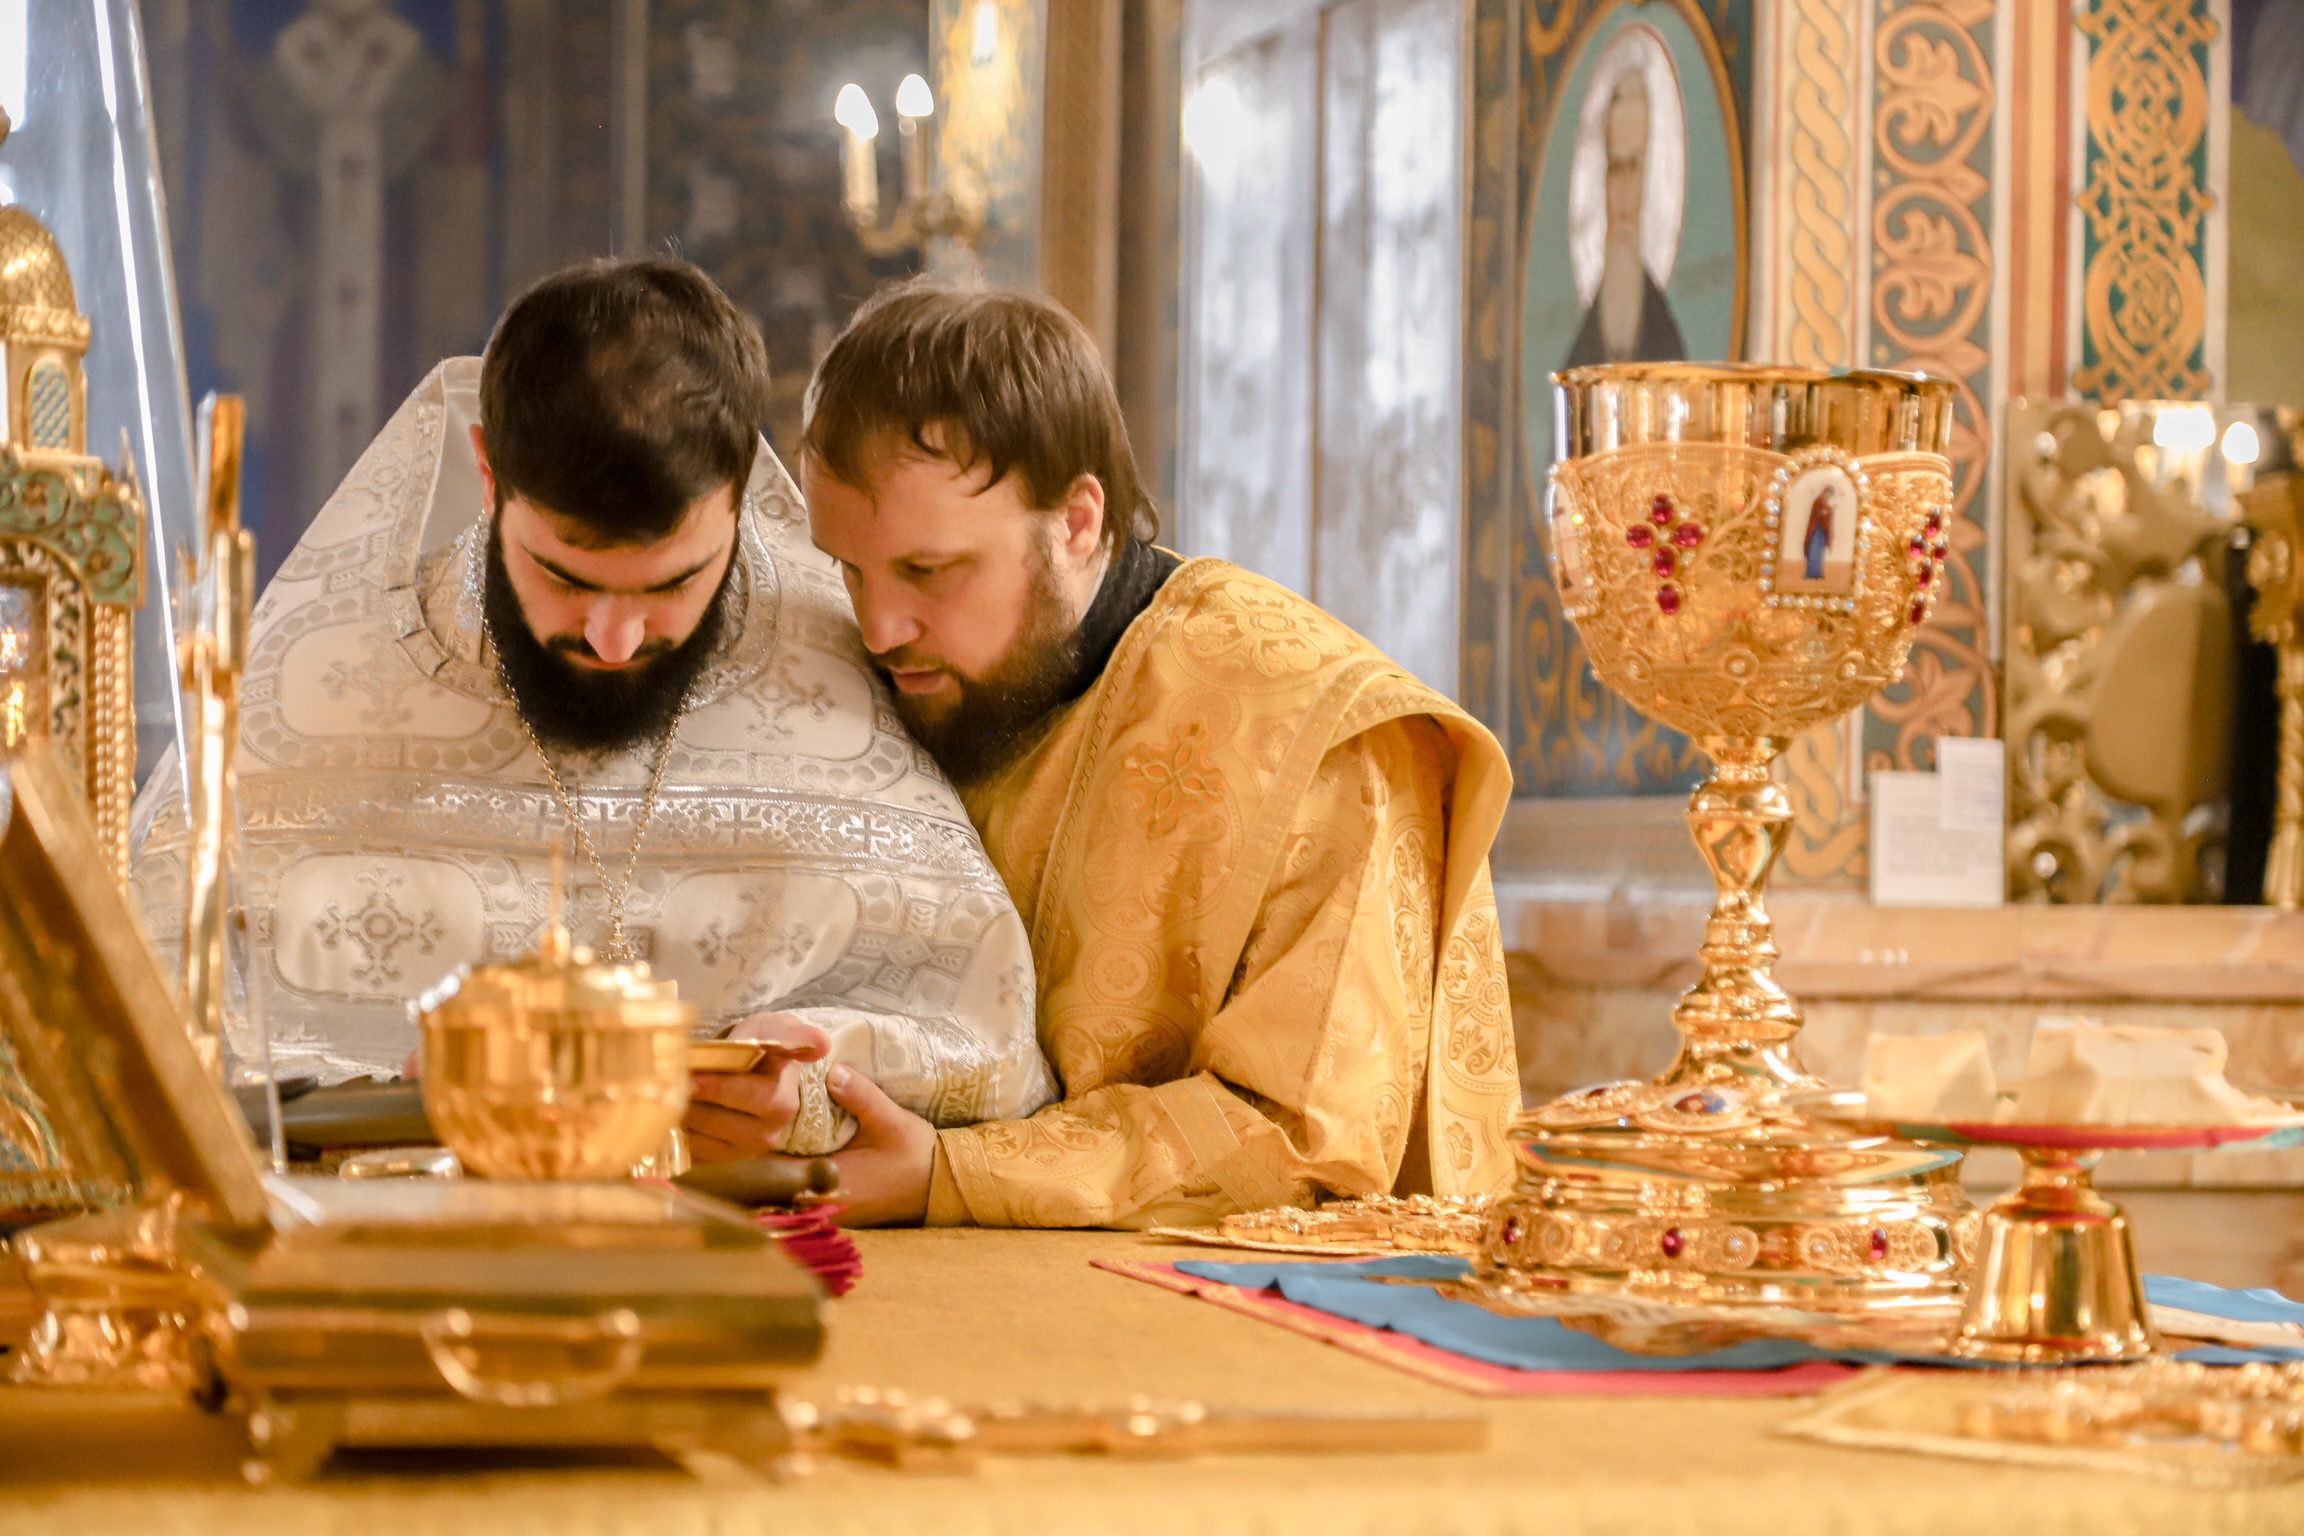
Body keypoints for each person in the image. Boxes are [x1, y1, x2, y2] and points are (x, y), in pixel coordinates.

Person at [131, 258, 1054, 1155]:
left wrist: (820, 1085)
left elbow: (993, 1045)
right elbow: (140, 1017)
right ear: (488, 473)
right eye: (566, 578)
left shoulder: (837, 675)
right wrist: (388, 1098)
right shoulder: (318, 684)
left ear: (738, 491)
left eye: (673, 583)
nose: (615, 640)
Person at [688, 280, 1522, 1227]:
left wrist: (951, 1174)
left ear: (1077, 522)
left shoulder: (1320, 737)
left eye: (929, 570)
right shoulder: (876, 680)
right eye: (849, 568)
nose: (879, 628)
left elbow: (1309, 1144)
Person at [1564, 66, 1687, 369]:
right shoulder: (1580, 351)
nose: (1622, 191)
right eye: (1615, 169)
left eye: (1634, 167)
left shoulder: (1670, 344)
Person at [1802, 484, 1836, 582]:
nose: (1829, 496)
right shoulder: (1818, 501)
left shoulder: (1824, 501)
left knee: (1819, 552)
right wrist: (1828, 511)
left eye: (1830, 495)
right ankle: (1811, 573)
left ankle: (1817, 573)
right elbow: (1818, 514)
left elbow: (1824, 513)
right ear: (1825, 492)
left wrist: (1828, 511)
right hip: (1816, 529)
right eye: (1829, 494)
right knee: (1814, 550)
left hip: (1821, 530)